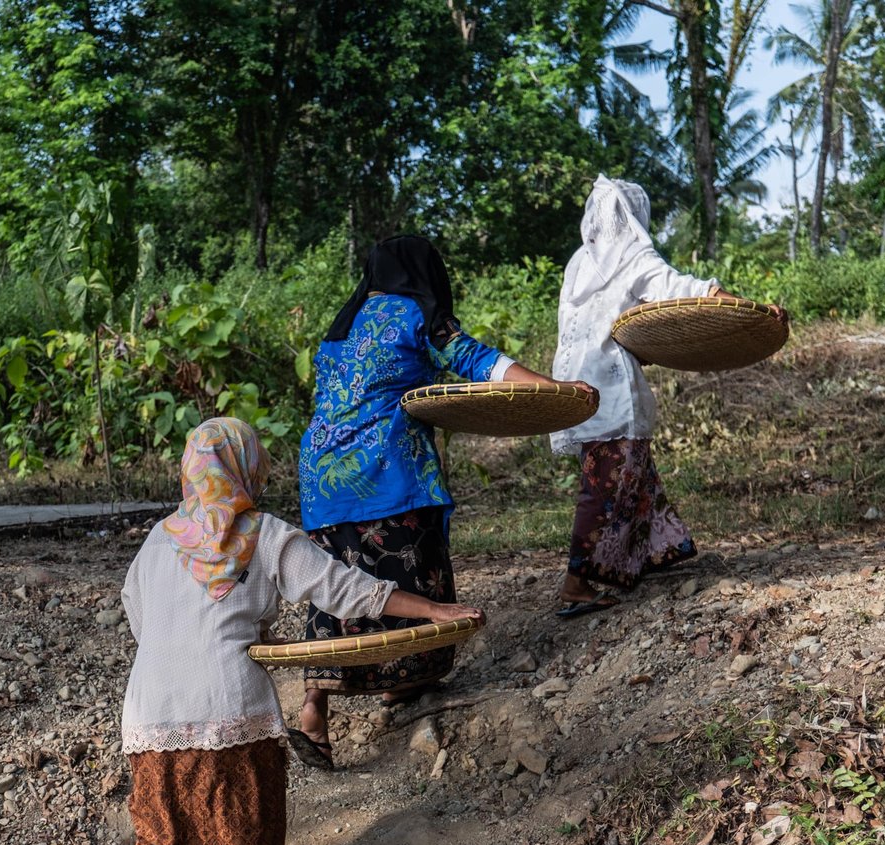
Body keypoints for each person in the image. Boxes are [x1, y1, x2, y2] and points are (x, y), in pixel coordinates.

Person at [112, 417, 485, 845]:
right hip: (230, 708)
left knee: (163, 836)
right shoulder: (263, 536)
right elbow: (350, 591)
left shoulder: (158, 539)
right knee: (247, 829)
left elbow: (139, 614)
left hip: (149, 714)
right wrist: (436, 609)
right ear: (246, 467)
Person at [294, 235, 590, 770]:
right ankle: (403, 678)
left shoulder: (339, 332)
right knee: (408, 573)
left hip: (321, 476)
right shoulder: (414, 314)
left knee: (332, 584)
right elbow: (478, 362)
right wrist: (554, 390)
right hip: (385, 470)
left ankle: (314, 706)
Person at [549, 177, 786, 617]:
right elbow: (685, 289)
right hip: (614, 391)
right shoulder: (632, 255)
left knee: (633, 476)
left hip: (575, 387)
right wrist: (750, 308)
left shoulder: (580, 262)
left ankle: (658, 553)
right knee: (604, 488)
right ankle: (575, 584)